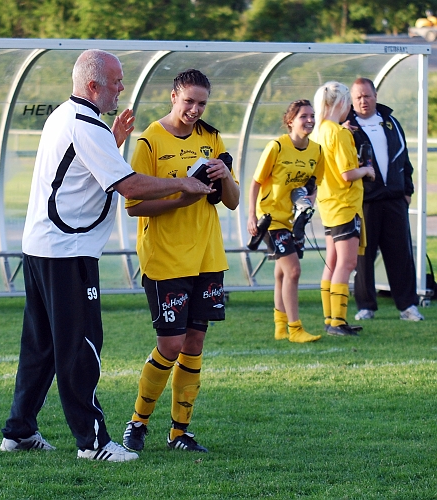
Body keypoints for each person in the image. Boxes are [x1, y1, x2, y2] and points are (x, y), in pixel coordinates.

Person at [0, 50, 214, 462]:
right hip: (68, 254)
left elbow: (85, 171)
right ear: (93, 85)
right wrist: (185, 185)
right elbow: (129, 186)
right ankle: (93, 442)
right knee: (81, 347)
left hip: (43, 249)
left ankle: (20, 430)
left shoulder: (66, 116)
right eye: (116, 81)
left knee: (42, 346)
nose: (122, 88)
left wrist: (113, 140)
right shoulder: (85, 123)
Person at [122, 69, 240, 454]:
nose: (195, 109)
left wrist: (224, 177)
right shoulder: (149, 141)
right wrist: (180, 195)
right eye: (189, 101)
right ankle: (137, 422)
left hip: (207, 256)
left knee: (194, 343)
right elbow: (133, 206)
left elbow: (233, 201)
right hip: (166, 259)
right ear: (173, 96)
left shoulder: (212, 137)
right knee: (170, 344)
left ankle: (180, 432)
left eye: (202, 103)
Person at [347, 77, 424, 322]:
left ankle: (408, 306)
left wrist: (407, 191)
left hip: (394, 200)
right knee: (363, 255)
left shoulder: (390, 122)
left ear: (375, 96)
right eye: (358, 97)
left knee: (400, 254)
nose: (363, 101)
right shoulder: (346, 126)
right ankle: (366, 306)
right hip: (365, 201)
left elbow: (405, 160)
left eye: (366, 96)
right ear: (352, 100)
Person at [247, 100, 324, 343]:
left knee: (282, 273)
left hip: (294, 222)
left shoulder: (317, 151)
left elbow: (314, 185)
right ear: (291, 121)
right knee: (294, 270)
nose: (310, 120)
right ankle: (295, 328)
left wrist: (308, 202)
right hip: (271, 220)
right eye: (304, 116)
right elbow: (256, 183)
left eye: (312, 115)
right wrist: (251, 216)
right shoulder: (277, 147)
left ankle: (280, 326)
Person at [313, 81, 375, 336]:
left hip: (328, 203)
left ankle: (331, 318)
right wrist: (367, 170)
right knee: (347, 262)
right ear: (340, 103)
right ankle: (338, 320)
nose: (350, 108)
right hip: (344, 204)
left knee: (333, 260)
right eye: (348, 103)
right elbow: (347, 173)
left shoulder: (319, 131)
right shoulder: (338, 133)